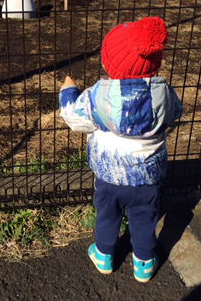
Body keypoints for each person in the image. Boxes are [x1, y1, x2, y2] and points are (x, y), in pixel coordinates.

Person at [59, 17, 182, 283]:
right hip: (148, 179)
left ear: (107, 64)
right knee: (144, 218)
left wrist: (68, 92)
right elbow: (176, 112)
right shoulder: (164, 94)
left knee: (107, 214)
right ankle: (144, 264)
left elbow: (73, 117)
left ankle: (103, 255)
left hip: (108, 177)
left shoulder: (98, 97)